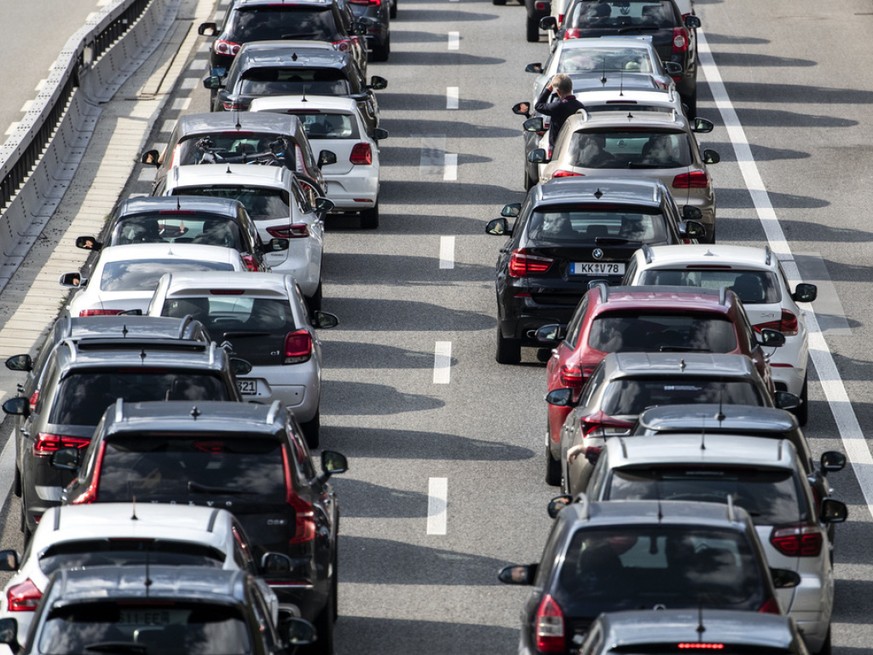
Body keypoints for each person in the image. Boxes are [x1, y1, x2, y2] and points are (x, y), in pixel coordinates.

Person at [534, 73, 586, 151]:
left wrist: (549, 89)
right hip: (574, 148)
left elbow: (538, 106)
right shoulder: (580, 106)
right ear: (571, 87)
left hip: (557, 148)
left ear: (558, 91)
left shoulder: (558, 106)